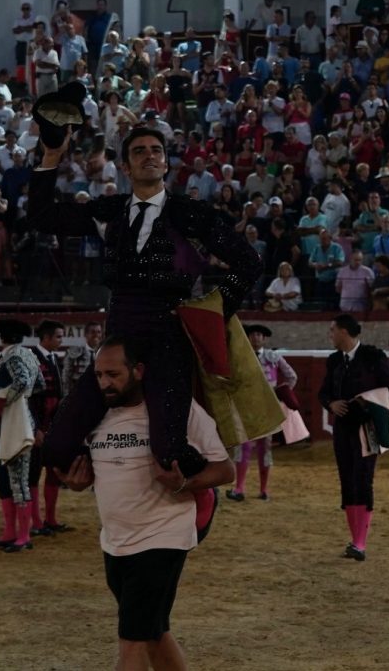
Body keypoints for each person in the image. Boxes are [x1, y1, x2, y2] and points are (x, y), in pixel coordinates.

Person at [28, 126, 260, 533]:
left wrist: (207, 312)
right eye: (139, 152)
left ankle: (204, 494)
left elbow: (248, 263)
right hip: (118, 339)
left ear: (166, 162)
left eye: (156, 150)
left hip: (169, 339)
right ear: (125, 165)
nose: (149, 156)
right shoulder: (110, 210)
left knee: (168, 449)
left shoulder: (194, 215)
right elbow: (43, 216)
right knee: (57, 446)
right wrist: (51, 157)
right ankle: (102, 475)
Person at [54, 336, 234, 671]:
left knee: (131, 640)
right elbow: (95, 473)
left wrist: (183, 483)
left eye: (113, 374)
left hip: (163, 535)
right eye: (98, 375)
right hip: (115, 540)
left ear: (138, 370)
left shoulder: (176, 411)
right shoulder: (95, 416)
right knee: (153, 632)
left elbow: (225, 470)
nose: (105, 383)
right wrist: (77, 484)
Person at [317, 314, 389, 561]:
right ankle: (355, 540)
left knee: (363, 480)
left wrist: (365, 401)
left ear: (344, 332)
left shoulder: (373, 356)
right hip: (343, 428)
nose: (330, 334)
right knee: (347, 479)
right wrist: (331, 404)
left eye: (333, 330)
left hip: (369, 427)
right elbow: (323, 393)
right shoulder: (334, 361)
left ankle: (360, 543)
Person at [0, 319, 44, 553]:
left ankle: (24, 536)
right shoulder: (29, 355)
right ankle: (10, 532)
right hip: (19, 419)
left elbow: (24, 381)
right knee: (4, 476)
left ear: (2, 337)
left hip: (16, 422)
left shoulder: (11, 356)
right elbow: (37, 385)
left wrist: (4, 400)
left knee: (18, 479)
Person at [227, 325, 296, 502]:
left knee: (265, 448)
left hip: (267, 407)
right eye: (252, 335)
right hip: (247, 406)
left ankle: (263, 490)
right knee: (244, 447)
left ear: (264, 338)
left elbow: (291, 376)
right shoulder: (241, 357)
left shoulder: (273, 357)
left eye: (259, 335)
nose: (256, 338)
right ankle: (239, 488)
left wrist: (282, 393)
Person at [28, 319, 69, 536]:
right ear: (46, 337)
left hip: (53, 425)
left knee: (53, 471)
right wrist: (36, 428)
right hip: (39, 427)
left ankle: (50, 519)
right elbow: (30, 398)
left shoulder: (54, 358)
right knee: (33, 474)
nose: (62, 340)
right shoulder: (32, 358)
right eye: (59, 336)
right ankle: (36, 522)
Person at [62, 321, 104, 395]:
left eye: (99, 332)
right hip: (80, 392)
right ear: (86, 334)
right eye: (93, 332)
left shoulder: (104, 352)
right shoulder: (74, 352)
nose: (96, 335)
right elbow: (66, 376)